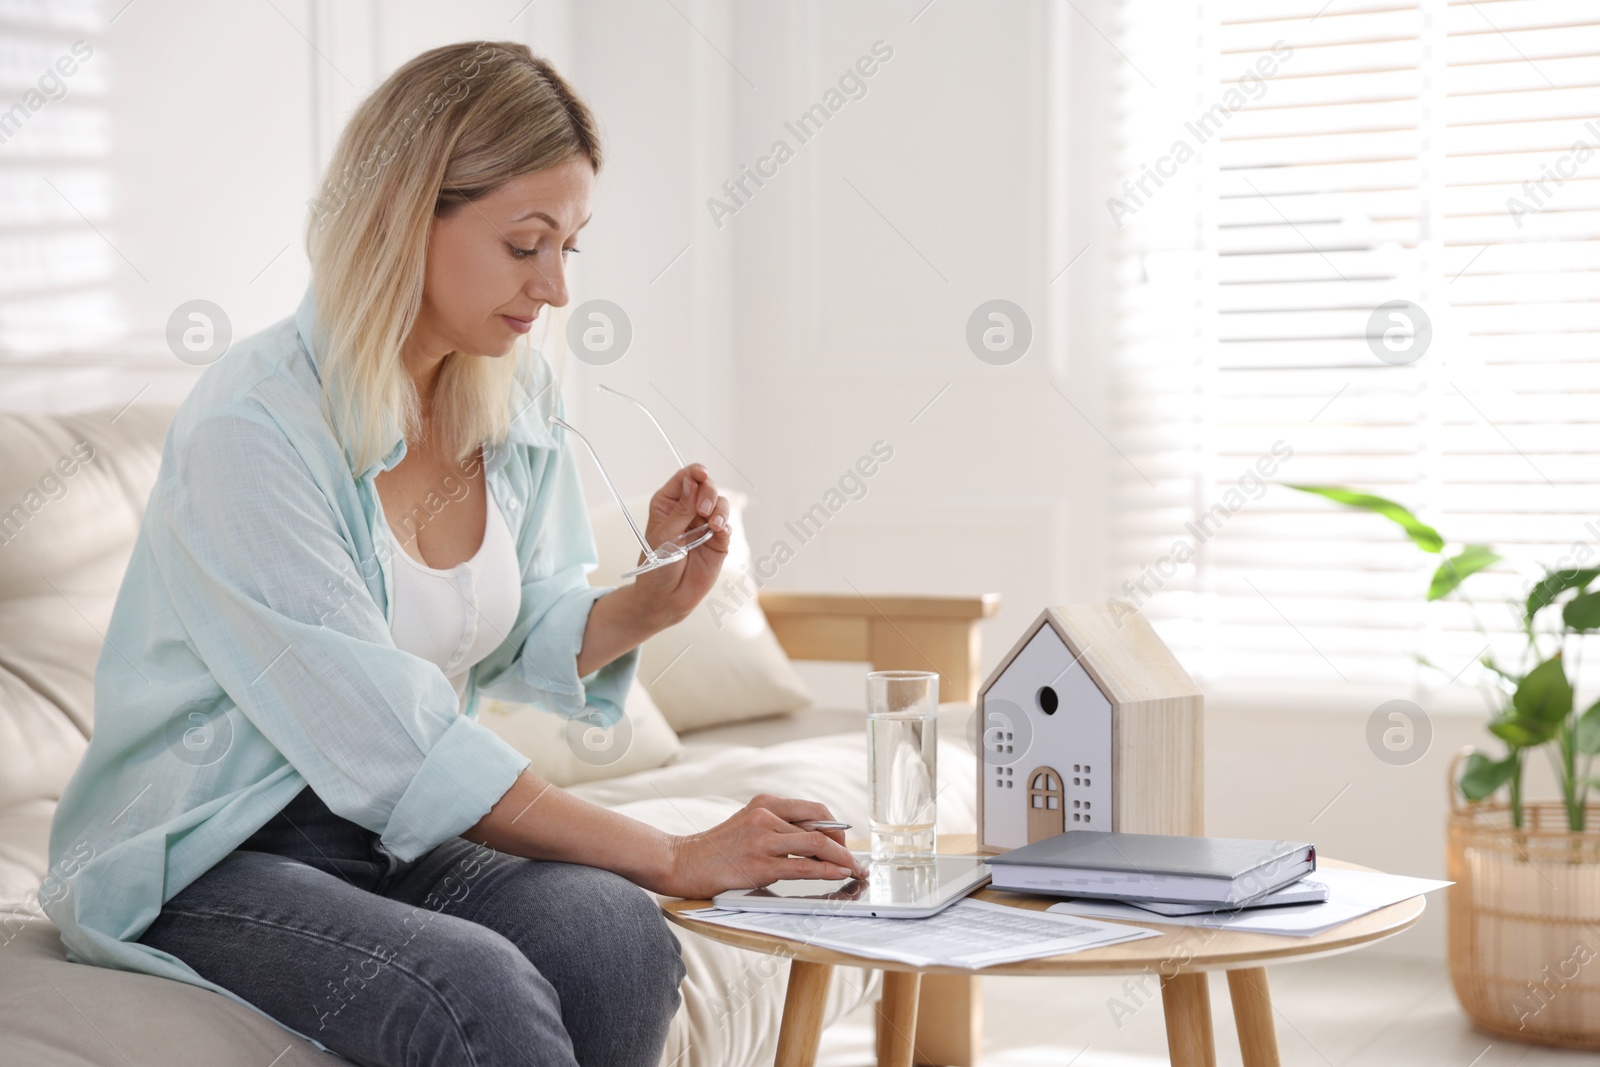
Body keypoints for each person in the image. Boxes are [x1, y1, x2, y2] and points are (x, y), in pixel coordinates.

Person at [40, 40, 867, 1067]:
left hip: (385, 841)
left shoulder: (506, 390)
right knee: (470, 992)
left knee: (614, 938)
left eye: (570, 243)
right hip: (212, 852)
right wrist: (674, 852)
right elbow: (393, 741)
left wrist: (653, 599)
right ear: (403, 214)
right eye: (526, 243)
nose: (556, 286)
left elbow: (521, 632)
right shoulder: (251, 429)